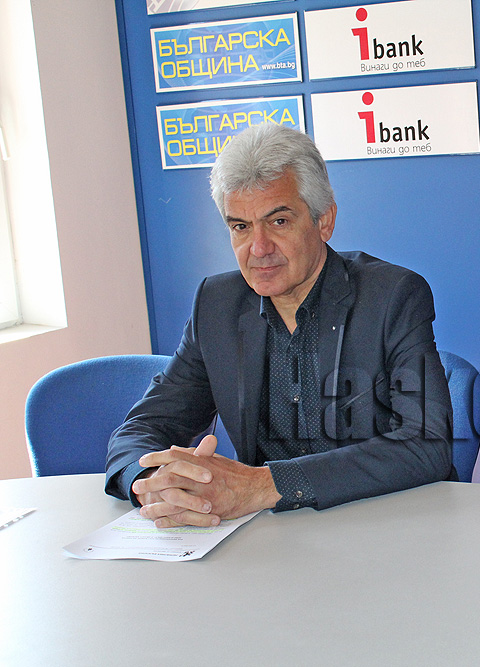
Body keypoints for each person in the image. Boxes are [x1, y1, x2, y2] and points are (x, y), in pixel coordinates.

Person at [106, 123, 454, 527]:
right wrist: (153, 482)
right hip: (268, 536)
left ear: (324, 221)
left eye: (279, 222)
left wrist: (264, 485)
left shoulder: (392, 297)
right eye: (240, 227)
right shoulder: (216, 306)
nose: (258, 248)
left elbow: (426, 443)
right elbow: (144, 427)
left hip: (382, 524)